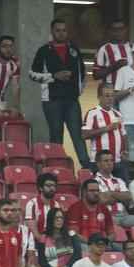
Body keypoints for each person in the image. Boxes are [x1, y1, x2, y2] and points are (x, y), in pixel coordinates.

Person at [29, 19, 90, 168]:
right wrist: (53, 76)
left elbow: (83, 73)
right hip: (52, 99)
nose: (61, 33)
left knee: (77, 134)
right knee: (56, 135)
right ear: (52, 32)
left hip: (72, 100)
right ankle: (57, 167)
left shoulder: (74, 49)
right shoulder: (44, 50)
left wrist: (77, 91)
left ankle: (87, 167)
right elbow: (32, 74)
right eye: (58, 30)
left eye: (64, 30)